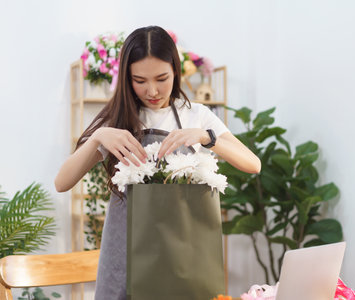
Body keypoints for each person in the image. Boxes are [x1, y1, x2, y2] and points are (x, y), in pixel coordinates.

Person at [55, 25, 261, 300]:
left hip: (184, 254)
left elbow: (253, 164)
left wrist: (205, 137)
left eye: (162, 78)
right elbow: (62, 182)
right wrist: (98, 137)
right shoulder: (117, 121)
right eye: (139, 80)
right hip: (127, 253)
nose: (152, 90)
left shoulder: (197, 115)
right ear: (127, 78)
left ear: (176, 70)